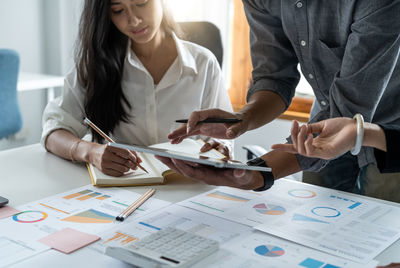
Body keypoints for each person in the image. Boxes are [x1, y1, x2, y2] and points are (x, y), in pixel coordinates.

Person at [162, 0, 400, 202]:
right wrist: (243, 118)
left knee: (381, 229)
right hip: (326, 117)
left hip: (391, 128)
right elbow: (274, 78)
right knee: (318, 219)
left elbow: (351, 106)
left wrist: (258, 173)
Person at [41, 0, 232, 177]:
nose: (133, 20)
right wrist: (90, 151)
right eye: (118, 10)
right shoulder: (96, 67)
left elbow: (224, 135)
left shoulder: (203, 64)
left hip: (189, 186)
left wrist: (221, 148)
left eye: (141, 3)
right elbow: (54, 131)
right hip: (124, 189)